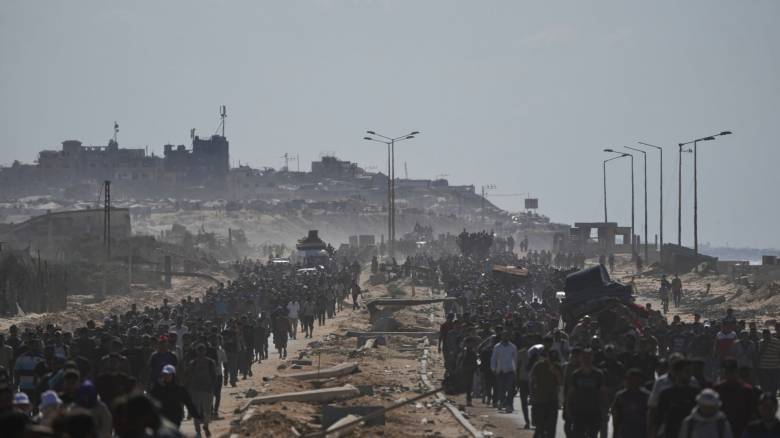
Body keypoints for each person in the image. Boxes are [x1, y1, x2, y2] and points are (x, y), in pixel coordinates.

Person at [653, 358, 699, 438]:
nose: (690, 375)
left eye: (691, 372)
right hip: (671, 433)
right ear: (677, 372)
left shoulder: (696, 393)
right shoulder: (666, 394)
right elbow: (658, 418)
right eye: (687, 371)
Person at [566, 348, 605, 438]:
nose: (586, 360)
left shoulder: (598, 374)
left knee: (593, 434)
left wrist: (604, 409)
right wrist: (568, 406)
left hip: (594, 411)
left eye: (588, 357)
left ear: (592, 358)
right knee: (578, 434)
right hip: (579, 411)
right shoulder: (576, 374)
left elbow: (602, 392)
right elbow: (571, 392)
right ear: (581, 359)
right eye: (584, 357)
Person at [149, 364, 202, 429]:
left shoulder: (180, 389)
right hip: (162, 417)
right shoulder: (157, 388)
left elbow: (189, 403)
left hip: (175, 418)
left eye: (169, 374)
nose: (166, 376)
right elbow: (150, 401)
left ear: (173, 375)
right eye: (165, 374)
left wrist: (196, 416)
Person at [714, 359, 755, 438]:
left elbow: (751, 412)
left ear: (736, 372)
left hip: (741, 429)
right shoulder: (717, 388)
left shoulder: (747, 390)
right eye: (727, 372)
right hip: (722, 428)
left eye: (731, 372)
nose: (729, 375)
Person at [529, 347, 562, 438]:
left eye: (554, 359)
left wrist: (554, 370)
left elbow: (560, 382)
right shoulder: (538, 366)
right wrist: (532, 396)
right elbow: (533, 381)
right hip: (539, 401)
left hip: (552, 401)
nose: (551, 361)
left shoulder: (557, 367)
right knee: (539, 427)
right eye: (550, 358)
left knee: (551, 428)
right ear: (546, 357)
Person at [186, 344, 217, 437]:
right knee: (196, 411)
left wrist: (212, 387)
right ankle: (198, 430)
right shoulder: (193, 363)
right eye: (199, 350)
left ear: (205, 351)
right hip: (195, 390)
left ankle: (206, 426)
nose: (200, 352)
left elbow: (214, 376)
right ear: (196, 352)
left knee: (207, 411)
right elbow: (188, 376)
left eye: (202, 350)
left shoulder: (211, 362)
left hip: (207, 390)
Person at [611, 368, 649, 438]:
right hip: (625, 431)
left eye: (636, 380)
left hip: (642, 431)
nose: (633, 382)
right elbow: (615, 417)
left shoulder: (646, 396)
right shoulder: (620, 396)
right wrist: (615, 434)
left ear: (640, 381)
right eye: (631, 380)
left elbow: (650, 416)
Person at [490, 330, 517, 413]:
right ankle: (501, 402)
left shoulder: (513, 347)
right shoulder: (497, 347)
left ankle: (509, 405)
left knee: (510, 389)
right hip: (500, 370)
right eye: (504, 336)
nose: (505, 337)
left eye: (507, 336)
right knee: (501, 388)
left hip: (510, 370)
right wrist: (493, 369)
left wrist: (515, 371)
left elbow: (515, 359)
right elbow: (493, 358)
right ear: (501, 337)